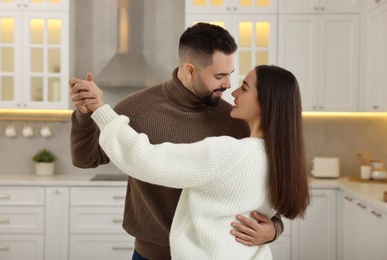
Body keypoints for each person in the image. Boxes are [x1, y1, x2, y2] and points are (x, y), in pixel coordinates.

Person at [70, 22, 284, 259]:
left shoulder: (235, 120)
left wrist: (274, 228)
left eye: (230, 75)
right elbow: (85, 159)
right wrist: (86, 113)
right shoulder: (135, 108)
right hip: (150, 255)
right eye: (219, 76)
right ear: (190, 70)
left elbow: (258, 194)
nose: (228, 85)